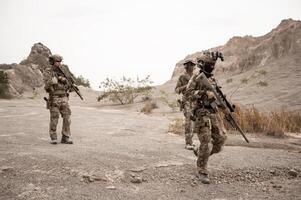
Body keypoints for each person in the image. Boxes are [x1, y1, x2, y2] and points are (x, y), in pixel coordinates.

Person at [186, 51, 227, 184]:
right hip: (201, 113)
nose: (212, 66)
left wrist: (221, 104)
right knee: (206, 141)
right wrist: (203, 93)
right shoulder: (196, 77)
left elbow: (216, 96)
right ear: (203, 64)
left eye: (213, 64)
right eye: (209, 64)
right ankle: (201, 170)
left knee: (220, 140)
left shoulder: (212, 79)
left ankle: (200, 153)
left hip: (213, 112)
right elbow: (189, 94)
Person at [43, 54, 74, 145]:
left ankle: (65, 137)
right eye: (57, 61)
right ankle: (53, 138)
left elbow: (71, 83)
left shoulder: (64, 70)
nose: (59, 63)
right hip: (54, 97)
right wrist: (57, 78)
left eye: (60, 61)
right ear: (52, 62)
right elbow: (47, 84)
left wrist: (65, 80)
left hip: (64, 96)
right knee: (54, 118)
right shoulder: (48, 71)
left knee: (67, 117)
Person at [175, 59, 196, 150]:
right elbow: (177, 90)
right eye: (190, 65)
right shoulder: (182, 77)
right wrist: (186, 86)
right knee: (188, 122)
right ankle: (188, 143)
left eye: (192, 65)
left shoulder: (196, 76)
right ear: (187, 66)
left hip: (195, 101)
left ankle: (191, 141)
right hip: (187, 101)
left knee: (195, 122)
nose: (192, 66)